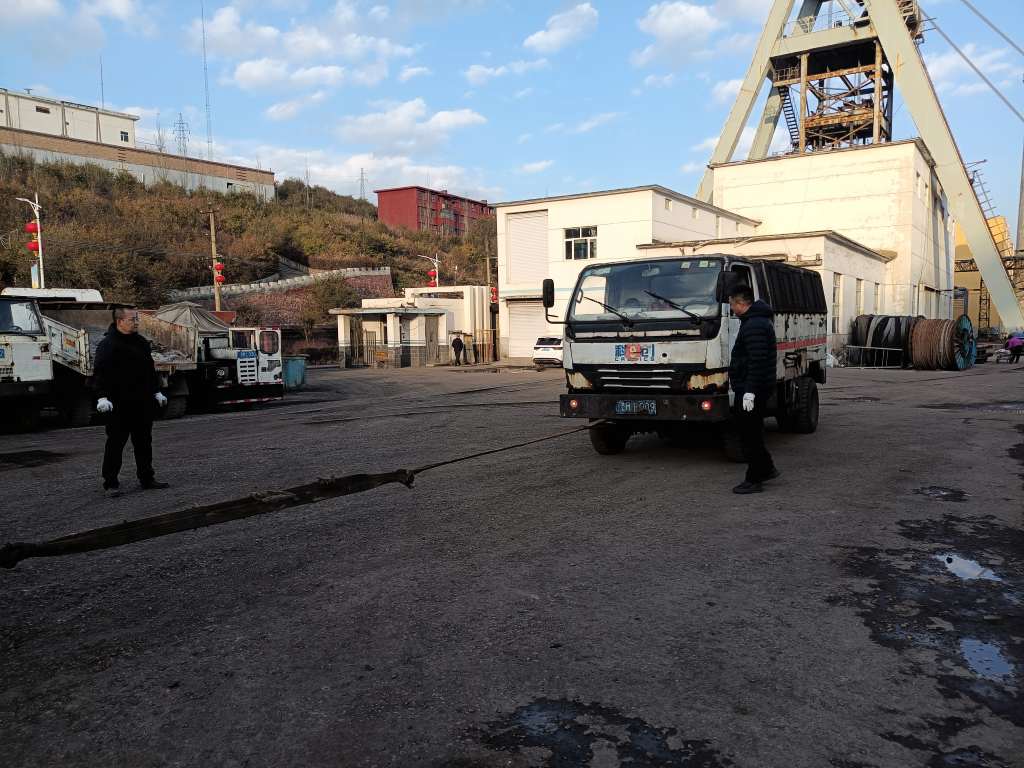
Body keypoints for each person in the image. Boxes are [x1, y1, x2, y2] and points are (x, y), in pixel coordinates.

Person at [94, 307, 170, 497]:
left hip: (142, 403)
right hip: (118, 404)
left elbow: (149, 370)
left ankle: (147, 478)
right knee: (115, 444)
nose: (136, 322)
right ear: (120, 321)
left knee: (144, 443)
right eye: (132, 319)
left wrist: (156, 391)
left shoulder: (141, 343)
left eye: (137, 319)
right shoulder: (108, 344)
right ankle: (111, 483)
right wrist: (102, 397)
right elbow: (100, 372)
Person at [727, 286, 780, 494]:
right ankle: (767, 468)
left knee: (749, 435)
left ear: (740, 303)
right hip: (755, 386)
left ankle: (754, 479)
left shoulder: (754, 325)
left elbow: (757, 361)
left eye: (732, 304)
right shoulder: (754, 321)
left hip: (752, 389)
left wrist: (749, 391)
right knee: (752, 431)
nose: (731, 308)